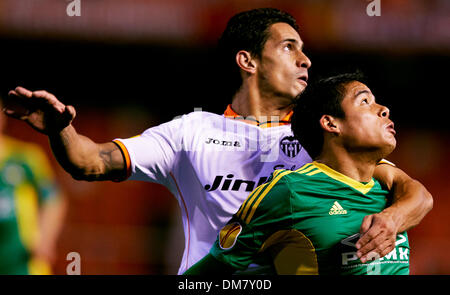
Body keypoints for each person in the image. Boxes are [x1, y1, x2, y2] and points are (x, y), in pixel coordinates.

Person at [3, 8, 432, 274]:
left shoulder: (320, 139)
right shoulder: (191, 132)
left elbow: (412, 192)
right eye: (288, 47)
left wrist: (392, 219)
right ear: (247, 60)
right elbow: (90, 161)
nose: (305, 59)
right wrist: (61, 128)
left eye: (304, 49)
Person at [185, 72, 416, 275]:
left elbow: (424, 198)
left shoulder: (389, 188)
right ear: (331, 123)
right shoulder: (288, 192)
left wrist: (392, 218)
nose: (383, 110)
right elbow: (215, 268)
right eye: (365, 101)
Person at [0, 100, 67, 275]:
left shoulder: (25, 158)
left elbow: (54, 199)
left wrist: (45, 238)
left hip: (23, 262)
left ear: (2, 117)